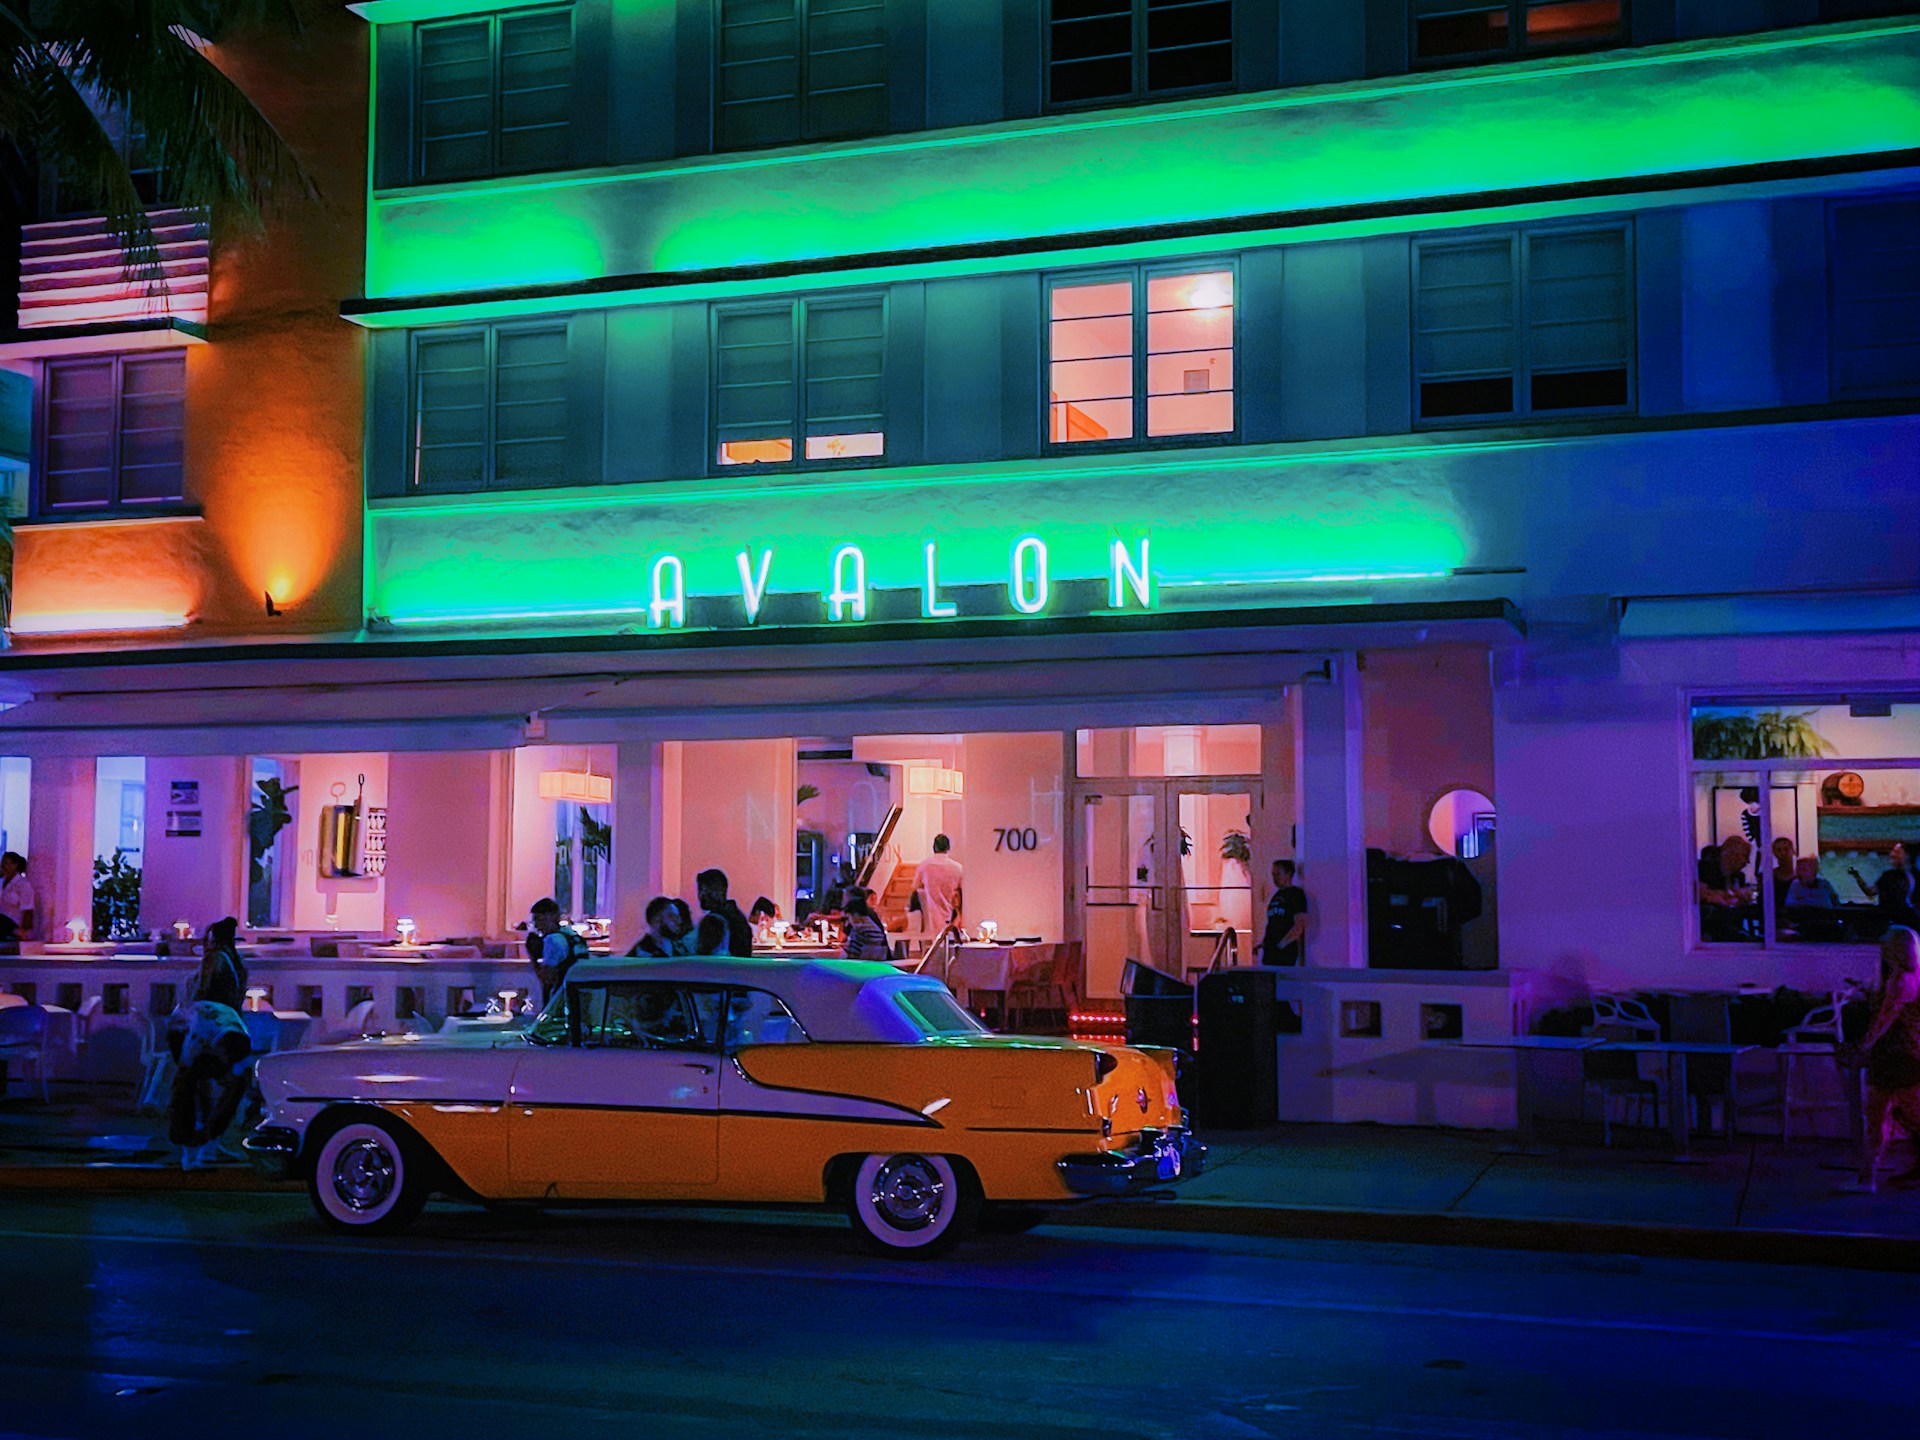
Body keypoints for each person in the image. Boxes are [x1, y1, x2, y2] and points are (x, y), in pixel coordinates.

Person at [1856, 926, 1920, 1191]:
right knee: (1908, 1116)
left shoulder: (1900, 979)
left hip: (1894, 1056)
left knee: (1877, 1117)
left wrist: (1865, 1045)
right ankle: (1868, 1177)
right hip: (1911, 1053)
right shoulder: (1913, 976)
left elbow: (1885, 1018)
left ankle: (1867, 1178)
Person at [166, 1000, 253, 1170]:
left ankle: (209, 1143)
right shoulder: (194, 1040)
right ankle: (189, 1147)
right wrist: (185, 1134)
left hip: (216, 1031)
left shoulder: (241, 1042)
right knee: (188, 1087)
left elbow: (235, 1086)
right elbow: (183, 1086)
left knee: (235, 1086)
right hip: (182, 1028)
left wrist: (213, 1130)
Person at [528, 897, 590, 1004]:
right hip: (581, 994)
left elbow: (547, 979)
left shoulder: (551, 940)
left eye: (540, 920)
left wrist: (533, 957)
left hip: (560, 998)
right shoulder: (572, 935)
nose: (537, 926)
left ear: (552, 917)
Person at [1697, 836, 1755, 941]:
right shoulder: (1705, 868)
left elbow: (1741, 900)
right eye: (1745, 856)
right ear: (1731, 854)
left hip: (1733, 924)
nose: (1746, 862)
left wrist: (1727, 896)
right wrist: (1734, 894)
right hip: (1711, 923)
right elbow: (1703, 895)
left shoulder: (1739, 876)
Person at [189, 917, 248, 1010]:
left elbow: (202, 989)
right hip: (232, 1012)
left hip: (214, 1011)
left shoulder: (213, 958)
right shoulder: (236, 958)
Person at [1257, 859, 1309, 965]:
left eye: (1278, 874)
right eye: (1273, 875)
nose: (1275, 878)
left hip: (1285, 952)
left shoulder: (1296, 895)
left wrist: (1281, 945)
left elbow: (1299, 926)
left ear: (1288, 874)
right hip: (1270, 951)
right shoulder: (1276, 896)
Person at [694, 869, 754, 957]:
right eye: (700, 890)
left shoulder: (713, 921)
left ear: (721, 891)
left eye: (706, 890)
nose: (701, 895)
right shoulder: (739, 917)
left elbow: (702, 958)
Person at [912, 834, 964, 934]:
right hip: (951, 918)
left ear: (933, 847)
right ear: (948, 848)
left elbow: (916, 888)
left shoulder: (923, 867)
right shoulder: (958, 868)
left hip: (928, 918)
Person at [841, 888, 892, 962]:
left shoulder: (858, 929)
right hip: (878, 963)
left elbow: (851, 957)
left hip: (861, 966)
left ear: (854, 914)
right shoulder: (873, 927)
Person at [0, 852, 35, 941]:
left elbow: (28, 909)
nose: (3, 866)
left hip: (13, 922)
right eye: (2, 863)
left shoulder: (23, 884)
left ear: (15, 865)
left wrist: (24, 931)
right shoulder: (1, 882)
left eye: (6, 863)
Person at [1769, 837, 1797, 911]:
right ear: (1774, 853)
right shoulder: (1770, 877)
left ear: (1793, 851)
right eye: (1779, 850)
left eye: (1786, 849)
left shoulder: (1800, 876)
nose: (1783, 853)